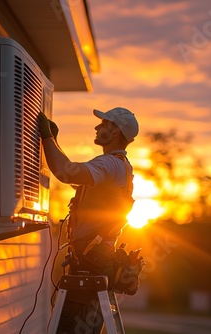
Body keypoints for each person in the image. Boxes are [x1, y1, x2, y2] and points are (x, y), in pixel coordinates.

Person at [38, 107, 139, 333]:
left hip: (90, 264)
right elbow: (77, 179)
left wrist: (46, 138)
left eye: (103, 124)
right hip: (95, 259)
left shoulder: (110, 164)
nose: (97, 127)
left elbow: (67, 172)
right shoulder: (120, 166)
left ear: (115, 132)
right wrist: (54, 142)